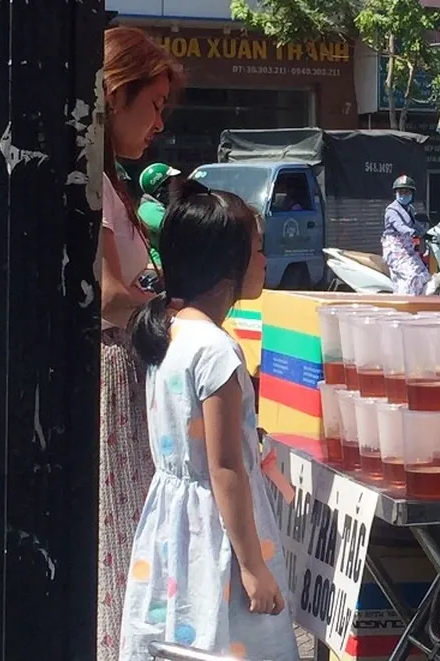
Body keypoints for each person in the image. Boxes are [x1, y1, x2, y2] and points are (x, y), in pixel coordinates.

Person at [120, 180, 298, 661]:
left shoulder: (170, 331)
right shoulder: (216, 350)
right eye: (258, 250)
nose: (264, 261)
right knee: (229, 641)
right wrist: (252, 565)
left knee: (178, 636)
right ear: (228, 269)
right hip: (219, 534)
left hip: (172, 528)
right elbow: (224, 468)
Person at [99, 26, 184, 660]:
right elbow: (106, 296)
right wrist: (171, 308)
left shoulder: (114, 183)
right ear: (115, 92)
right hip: (113, 383)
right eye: (152, 105)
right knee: (124, 540)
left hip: (130, 376)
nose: (158, 122)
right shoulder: (94, 187)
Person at [382, 175, 429, 295]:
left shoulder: (410, 209)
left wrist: (428, 234)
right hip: (396, 251)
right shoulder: (392, 210)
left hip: (407, 249)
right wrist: (411, 232)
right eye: (401, 192)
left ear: (412, 194)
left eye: (407, 192)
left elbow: (415, 223)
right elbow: (399, 226)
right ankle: (407, 303)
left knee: (424, 274)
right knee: (412, 276)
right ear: (396, 193)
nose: (404, 194)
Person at [138, 162, 182, 269]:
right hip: (159, 268)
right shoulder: (149, 209)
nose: (177, 186)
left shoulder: (161, 207)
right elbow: (180, 229)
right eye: (173, 183)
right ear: (162, 188)